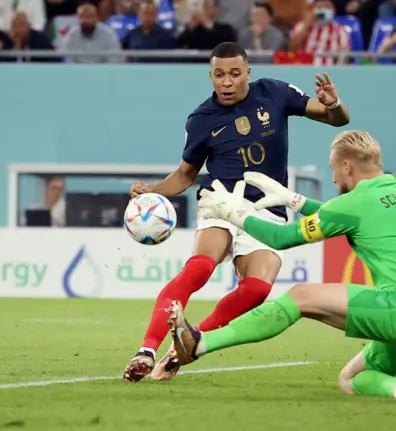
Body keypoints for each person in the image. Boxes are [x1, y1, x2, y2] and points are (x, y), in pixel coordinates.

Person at [165, 130, 396, 399]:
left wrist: (231, 213)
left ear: (347, 167)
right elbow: (346, 216)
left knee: (300, 296)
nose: (333, 179)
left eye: (333, 169)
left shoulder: (355, 203)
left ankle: (199, 343)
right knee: (350, 379)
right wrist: (293, 201)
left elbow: (281, 238)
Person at [123, 41, 350, 383]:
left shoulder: (275, 93)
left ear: (247, 73)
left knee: (257, 289)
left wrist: (334, 104)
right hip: (221, 202)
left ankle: (185, 346)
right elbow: (185, 175)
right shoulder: (201, 119)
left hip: (267, 206)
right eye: (218, 75)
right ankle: (146, 349)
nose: (226, 82)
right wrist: (152, 189)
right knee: (199, 268)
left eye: (233, 74)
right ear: (210, 76)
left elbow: (336, 120)